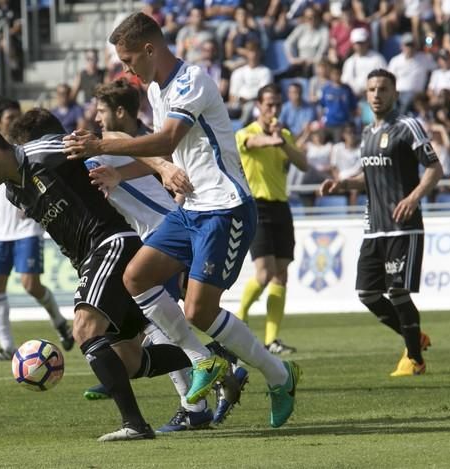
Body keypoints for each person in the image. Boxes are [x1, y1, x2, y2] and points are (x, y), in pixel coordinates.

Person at [64, 12, 301, 428]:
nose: (126, 69)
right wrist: (123, 173)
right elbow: (171, 156)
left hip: (224, 207)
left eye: (128, 59)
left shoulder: (193, 81)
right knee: (136, 277)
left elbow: (168, 139)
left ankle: (280, 376)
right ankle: (202, 360)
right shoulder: (157, 90)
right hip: (192, 209)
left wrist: (101, 145)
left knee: (198, 311)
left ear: (150, 49)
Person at [0, 118, 195, 442]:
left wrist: (162, 167)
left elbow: (108, 140)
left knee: (83, 329)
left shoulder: (45, 152)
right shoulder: (13, 191)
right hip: (90, 259)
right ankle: (214, 357)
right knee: (128, 360)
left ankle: (135, 425)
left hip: (112, 243)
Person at [78, 79, 249, 430]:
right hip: (155, 234)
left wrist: (142, 172)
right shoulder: (126, 144)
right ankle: (206, 377)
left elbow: (161, 160)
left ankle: (200, 395)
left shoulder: (121, 142)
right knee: (152, 326)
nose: (96, 118)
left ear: (120, 113)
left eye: (101, 111)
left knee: (160, 325)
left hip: (161, 235)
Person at [320, 69, 443, 377]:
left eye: (383, 89)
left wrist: (413, 198)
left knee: (398, 292)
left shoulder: (408, 126)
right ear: (366, 94)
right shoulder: (367, 133)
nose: (377, 94)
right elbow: (370, 178)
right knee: (367, 294)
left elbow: (434, 168)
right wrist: (343, 185)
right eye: (372, 89)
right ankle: (413, 336)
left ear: (394, 93)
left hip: (403, 225)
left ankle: (415, 359)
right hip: (374, 228)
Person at [0, 97, 74, 361]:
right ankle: (6, 346)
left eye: (17, 116)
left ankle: (59, 321)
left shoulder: (28, 147)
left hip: (27, 227)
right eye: (9, 118)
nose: (15, 121)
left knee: (30, 284)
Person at [235, 83, 308, 356]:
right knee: (264, 273)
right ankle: (240, 314)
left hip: (281, 206)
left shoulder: (284, 135)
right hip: (257, 206)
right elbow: (253, 143)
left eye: (277, 105)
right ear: (259, 106)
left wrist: (283, 141)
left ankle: (272, 339)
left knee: (281, 274)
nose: (274, 110)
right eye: (269, 105)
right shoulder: (245, 133)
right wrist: (276, 139)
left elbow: (303, 163)